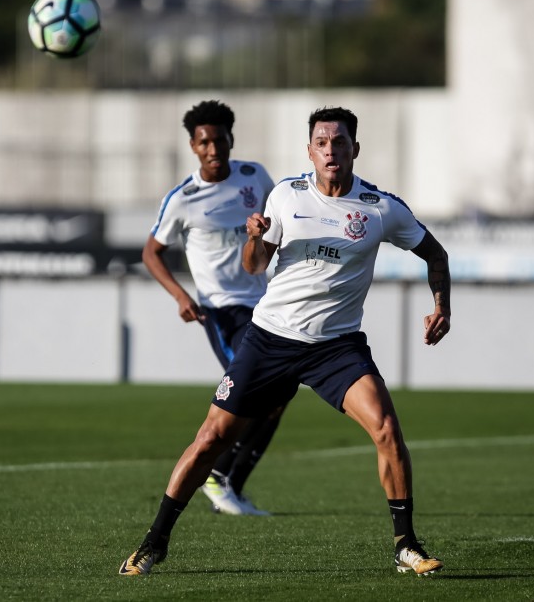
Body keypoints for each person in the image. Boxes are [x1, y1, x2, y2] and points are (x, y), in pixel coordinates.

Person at [119, 106, 451, 577]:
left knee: (387, 431)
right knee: (211, 437)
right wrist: (254, 238)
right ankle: (154, 542)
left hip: (337, 348)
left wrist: (443, 307)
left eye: (340, 142)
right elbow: (255, 265)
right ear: (309, 151)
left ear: (355, 149)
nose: (331, 151)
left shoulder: (380, 208)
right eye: (322, 142)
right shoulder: (285, 196)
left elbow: (434, 252)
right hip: (270, 339)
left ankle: (406, 546)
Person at [141, 99, 284, 517]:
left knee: (277, 396)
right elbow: (151, 252)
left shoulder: (254, 176)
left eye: (220, 140)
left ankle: (229, 485)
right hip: (222, 310)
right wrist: (181, 296)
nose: (213, 148)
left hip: (267, 305)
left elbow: (280, 219)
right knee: (253, 390)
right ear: (193, 146)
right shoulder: (182, 198)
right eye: (205, 141)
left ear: (230, 140)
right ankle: (217, 477)